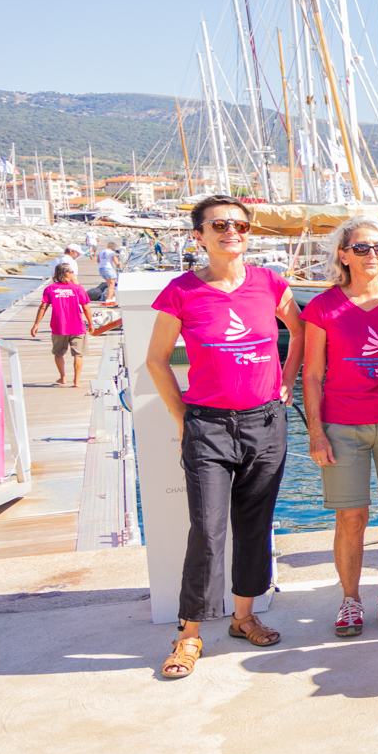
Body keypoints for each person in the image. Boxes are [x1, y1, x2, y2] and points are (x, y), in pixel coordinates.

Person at [146, 196, 305, 678]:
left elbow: (297, 334)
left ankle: (242, 617)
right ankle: (189, 634)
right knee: (209, 532)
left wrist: (285, 383)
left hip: (265, 423)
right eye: (219, 224)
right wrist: (182, 418)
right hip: (209, 426)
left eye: (239, 224)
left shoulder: (270, 283)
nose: (230, 231)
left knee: (255, 528)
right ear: (199, 235)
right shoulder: (182, 291)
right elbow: (157, 360)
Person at [302, 215, 378, 638]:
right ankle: (350, 598)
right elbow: (311, 375)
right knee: (351, 516)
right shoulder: (323, 307)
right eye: (363, 248)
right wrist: (315, 432)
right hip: (342, 425)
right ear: (343, 255)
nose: (372, 255)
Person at [30, 265, 93, 387]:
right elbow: (86, 307)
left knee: (58, 353)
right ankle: (76, 381)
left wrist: (36, 324)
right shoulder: (78, 288)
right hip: (77, 326)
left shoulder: (50, 289)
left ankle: (63, 377)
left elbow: (43, 307)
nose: (73, 273)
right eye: (72, 271)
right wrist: (90, 323)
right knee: (78, 354)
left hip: (59, 326)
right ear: (67, 274)